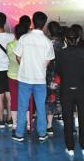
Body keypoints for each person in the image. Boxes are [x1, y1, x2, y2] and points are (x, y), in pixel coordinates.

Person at [11, 11, 56, 143]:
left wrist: (25, 65)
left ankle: (19, 134)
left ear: (32, 21)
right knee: (40, 107)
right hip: (40, 79)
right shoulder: (47, 42)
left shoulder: (24, 38)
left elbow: (18, 56)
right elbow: (48, 60)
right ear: (44, 24)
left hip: (25, 78)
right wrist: (39, 67)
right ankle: (42, 133)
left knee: (22, 106)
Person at [56, 25, 84, 156]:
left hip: (66, 89)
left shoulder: (61, 53)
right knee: (83, 118)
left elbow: (58, 71)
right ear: (78, 39)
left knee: (68, 119)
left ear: (65, 39)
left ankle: (70, 147)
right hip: (82, 88)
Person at [7, 20, 27, 129]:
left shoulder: (10, 45)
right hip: (26, 77)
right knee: (27, 100)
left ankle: (15, 124)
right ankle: (28, 124)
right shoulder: (27, 46)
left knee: (14, 100)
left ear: (15, 33)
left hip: (12, 76)